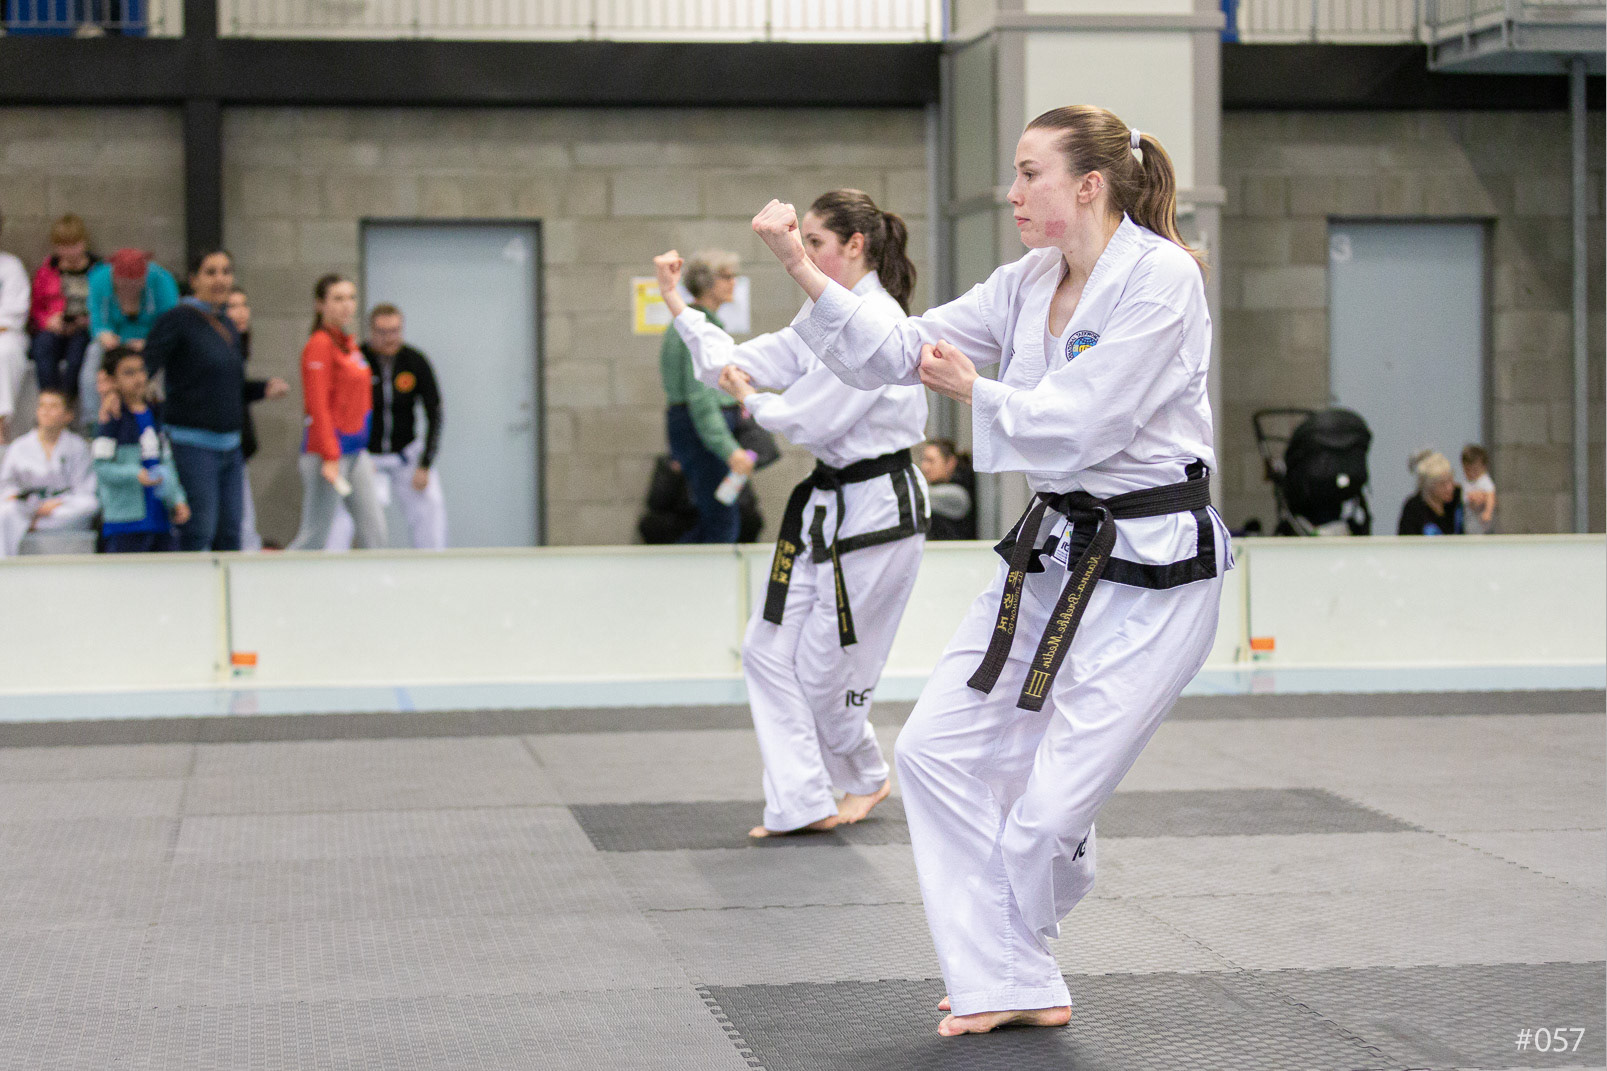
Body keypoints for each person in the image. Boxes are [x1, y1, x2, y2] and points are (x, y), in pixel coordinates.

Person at [753, 106, 1231, 1036]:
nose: (1010, 193)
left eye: (1027, 174)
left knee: (1046, 815)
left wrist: (975, 391)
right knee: (933, 752)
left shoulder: (1161, 277)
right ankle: (1005, 977)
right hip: (1055, 553)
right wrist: (801, 269)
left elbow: (1085, 422)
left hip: (1156, 571)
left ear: (1086, 186)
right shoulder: (1028, 279)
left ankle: (1018, 949)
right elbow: (901, 347)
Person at [652, 188, 930, 839]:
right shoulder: (821, 315)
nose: (803, 252)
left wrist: (750, 400)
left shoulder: (878, 321)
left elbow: (808, 419)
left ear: (854, 246)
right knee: (766, 650)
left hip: (878, 510)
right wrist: (676, 303)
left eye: (814, 243)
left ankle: (865, 774)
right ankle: (801, 800)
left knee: (828, 670)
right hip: (827, 505)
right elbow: (739, 361)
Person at [141, 249, 247, 552]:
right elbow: (144, 366)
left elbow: (230, 384)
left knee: (230, 534)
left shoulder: (227, 324)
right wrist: (114, 395)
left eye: (226, 271)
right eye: (210, 272)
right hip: (192, 445)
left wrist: (264, 388)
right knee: (199, 530)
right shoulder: (178, 319)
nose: (220, 279)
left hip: (230, 446)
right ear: (194, 279)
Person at [326, 303, 447, 550]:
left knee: (431, 508)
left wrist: (425, 463)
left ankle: (433, 566)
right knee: (346, 515)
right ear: (371, 331)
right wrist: (350, 453)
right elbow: (341, 412)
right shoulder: (357, 361)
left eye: (395, 331)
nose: (390, 338)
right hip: (366, 456)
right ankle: (334, 563)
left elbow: (435, 413)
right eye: (382, 332)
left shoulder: (415, 361)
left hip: (406, 455)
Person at [658, 249, 753, 543]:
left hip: (700, 430)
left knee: (717, 519)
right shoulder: (696, 328)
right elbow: (701, 399)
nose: (734, 282)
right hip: (701, 432)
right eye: (726, 276)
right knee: (720, 524)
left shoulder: (701, 324)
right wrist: (729, 450)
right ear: (707, 282)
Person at [285, 274, 386, 551]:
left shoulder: (348, 345)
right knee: (314, 536)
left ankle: (380, 578)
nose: (346, 305)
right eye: (338, 298)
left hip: (356, 451)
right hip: (328, 454)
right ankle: (277, 577)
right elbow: (317, 405)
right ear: (320, 304)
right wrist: (330, 456)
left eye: (351, 298)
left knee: (375, 533)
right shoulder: (319, 344)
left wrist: (365, 449)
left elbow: (360, 403)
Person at [92, 346, 189, 552]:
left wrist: (177, 499)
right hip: (125, 522)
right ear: (113, 379)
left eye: (141, 370)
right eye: (129, 373)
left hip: (160, 518)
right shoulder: (111, 418)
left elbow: (166, 460)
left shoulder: (155, 413)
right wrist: (135, 473)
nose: (138, 378)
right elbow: (101, 468)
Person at [82, 248, 181, 425]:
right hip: (115, 340)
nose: (129, 289)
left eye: (135, 283)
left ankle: (164, 416)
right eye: (124, 284)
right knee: (93, 354)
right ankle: (93, 420)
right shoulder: (99, 278)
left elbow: (171, 323)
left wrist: (150, 342)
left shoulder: (162, 280)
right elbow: (96, 319)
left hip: (150, 340)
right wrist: (104, 334)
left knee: (167, 359)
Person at [225, 286, 290, 552]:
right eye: (232, 306)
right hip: (222, 446)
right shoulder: (217, 350)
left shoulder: (237, 346)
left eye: (243, 305)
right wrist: (261, 389)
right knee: (238, 523)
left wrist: (262, 388)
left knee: (244, 521)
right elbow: (224, 392)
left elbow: (234, 389)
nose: (241, 312)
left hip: (237, 447)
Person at [0, 388, 98, 556]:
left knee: (89, 505)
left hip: (60, 507)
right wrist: (23, 500)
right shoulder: (19, 446)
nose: (46, 411)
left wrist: (58, 502)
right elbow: (6, 485)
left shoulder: (77, 446)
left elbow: (85, 489)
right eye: (42, 406)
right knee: (5, 511)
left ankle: (32, 525)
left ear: (68, 415)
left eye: (53, 406)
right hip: (27, 506)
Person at [28, 214, 100, 405]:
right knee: (42, 346)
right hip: (54, 328)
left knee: (77, 354)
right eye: (63, 246)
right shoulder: (47, 271)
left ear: (84, 242)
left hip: (85, 329)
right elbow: (35, 307)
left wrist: (87, 321)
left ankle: (67, 402)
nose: (69, 251)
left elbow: (105, 305)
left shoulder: (98, 271)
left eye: (73, 245)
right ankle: (49, 400)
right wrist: (48, 321)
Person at [918, 438, 978, 540]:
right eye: (924, 460)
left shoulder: (958, 493)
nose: (924, 467)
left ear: (950, 462)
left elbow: (918, 497)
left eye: (931, 461)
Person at [1398, 449, 1464, 536]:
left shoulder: (1459, 496)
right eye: (1442, 484)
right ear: (1429, 486)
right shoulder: (1413, 508)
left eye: (1451, 481)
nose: (1449, 488)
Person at [1460, 443, 1496, 535]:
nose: (1472, 473)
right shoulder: (1466, 482)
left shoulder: (1484, 480)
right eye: (1467, 470)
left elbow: (1491, 496)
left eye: (1475, 470)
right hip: (1469, 525)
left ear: (1484, 467)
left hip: (1483, 527)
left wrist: (1488, 512)